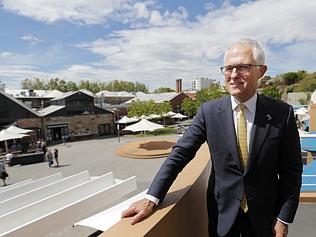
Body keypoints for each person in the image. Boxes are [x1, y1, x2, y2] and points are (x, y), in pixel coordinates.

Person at [122, 39, 303, 237]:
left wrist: (284, 217)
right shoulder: (208, 112)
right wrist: (152, 197)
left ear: (261, 71)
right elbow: (181, 153)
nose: (234, 75)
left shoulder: (281, 113)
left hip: (266, 218)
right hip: (222, 217)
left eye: (243, 67)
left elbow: (291, 171)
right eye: (228, 68)